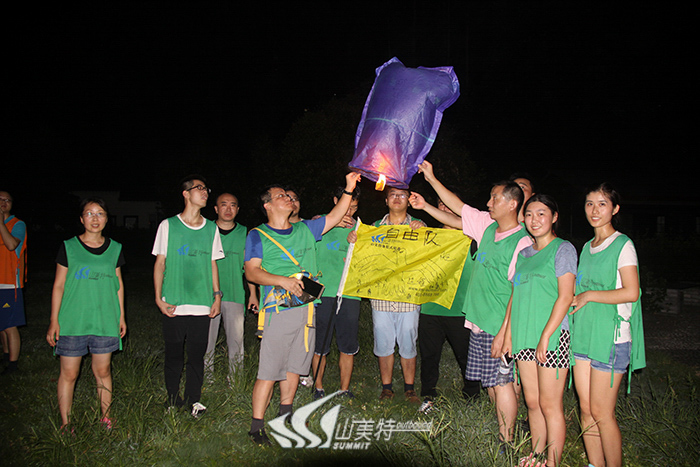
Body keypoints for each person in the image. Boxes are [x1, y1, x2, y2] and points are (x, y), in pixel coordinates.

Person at [409, 160, 531, 447]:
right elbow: (458, 211)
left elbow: (519, 292)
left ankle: (507, 441)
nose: (488, 203)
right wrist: (430, 185)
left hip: (499, 325)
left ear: (512, 204)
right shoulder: (488, 227)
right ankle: (502, 427)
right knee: (491, 384)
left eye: (494, 198)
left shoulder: (522, 242)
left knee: (503, 384)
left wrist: (505, 332)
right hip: (478, 321)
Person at [244, 172, 361, 445]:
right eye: (280, 196)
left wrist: (348, 188)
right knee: (269, 370)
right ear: (268, 205)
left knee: (295, 366)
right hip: (277, 310)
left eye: (288, 195)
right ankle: (256, 426)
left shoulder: (306, 229)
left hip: (307, 308)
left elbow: (335, 215)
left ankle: (285, 414)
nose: (287, 198)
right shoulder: (258, 235)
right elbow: (252, 271)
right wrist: (282, 280)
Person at [570, 183, 645, 467]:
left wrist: (589, 295)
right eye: (589, 203)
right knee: (586, 410)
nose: (594, 210)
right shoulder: (586, 247)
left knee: (602, 413)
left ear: (614, 209)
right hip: (583, 335)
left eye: (602, 204)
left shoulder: (623, 245)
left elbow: (631, 292)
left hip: (611, 338)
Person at [502, 194, 577, 467]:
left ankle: (552, 462)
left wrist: (546, 336)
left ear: (554, 217)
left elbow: (565, 296)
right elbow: (516, 296)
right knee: (532, 402)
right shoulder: (523, 255)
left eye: (541, 213)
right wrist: (509, 336)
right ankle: (536, 455)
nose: (534, 220)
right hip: (525, 335)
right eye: (529, 214)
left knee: (549, 404)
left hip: (552, 337)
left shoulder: (563, 249)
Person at [46, 198, 126, 430]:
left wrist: (121, 316)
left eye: (100, 213)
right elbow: (59, 285)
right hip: (73, 320)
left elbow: (118, 284)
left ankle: (106, 418)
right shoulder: (69, 247)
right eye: (89, 213)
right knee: (69, 373)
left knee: (103, 370)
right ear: (81, 219)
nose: (95, 218)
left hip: (104, 319)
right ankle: (66, 423)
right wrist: (54, 320)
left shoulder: (115, 248)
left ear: (107, 219)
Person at [152, 175, 224, 418]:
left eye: (206, 188)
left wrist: (216, 296)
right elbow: (160, 263)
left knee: (196, 356)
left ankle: (194, 400)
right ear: (186, 193)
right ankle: (172, 398)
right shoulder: (168, 225)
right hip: (173, 302)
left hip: (202, 302)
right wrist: (158, 298)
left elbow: (212, 263)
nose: (205, 192)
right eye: (199, 188)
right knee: (173, 354)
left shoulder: (211, 228)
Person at [350, 186, 426, 403]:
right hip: (381, 296)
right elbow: (363, 256)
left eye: (402, 195)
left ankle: (410, 389)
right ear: (386, 200)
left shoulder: (419, 226)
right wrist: (354, 239)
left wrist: (423, 231)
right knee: (383, 342)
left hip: (409, 296)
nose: (397, 198)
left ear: (409, 201)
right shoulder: (374, 228)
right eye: (392, 194)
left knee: (408, 341)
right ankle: (387, 388)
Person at [416, 196, 480, 414]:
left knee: (466, 356)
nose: (445, 208)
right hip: (430, 307)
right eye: (441, 204)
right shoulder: (428, 237)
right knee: (429, 356)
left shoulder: (473, 239)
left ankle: (472, 396)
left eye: (448, 204)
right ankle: (428, 396)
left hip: (460, 309)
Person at [311, 186, 361, 400]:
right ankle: (318, 387)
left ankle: (344, 388)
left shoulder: (360, 229)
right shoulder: (319, 224)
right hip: (322, 292)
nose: (349, 212)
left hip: (350, 293)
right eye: (346, 206)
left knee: (347, 344)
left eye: (354, 207)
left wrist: (357, 245)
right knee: (319, 343)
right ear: (335, 201)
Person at [204, 193, 258, 384]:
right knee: (207, 340)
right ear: (216, 209)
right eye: (223, 205)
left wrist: (253, 294)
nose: (228, 209)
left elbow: (249, 267)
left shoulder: (245, 233)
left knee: (236, 340)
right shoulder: (206, 230)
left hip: (235, 293)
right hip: (207, 296)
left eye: (233, 205)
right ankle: (207, 379)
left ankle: (236, 380)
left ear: (238, 209)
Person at [0, 191, 27, 376]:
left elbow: (11, 245)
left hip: (10, 283)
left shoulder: (17, 224)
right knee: (1, 325)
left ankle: (13, 365)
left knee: (10, 325)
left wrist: (0, 223)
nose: (4, 202)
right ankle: (5, 355)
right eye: (0, 199)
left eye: (7, 200)